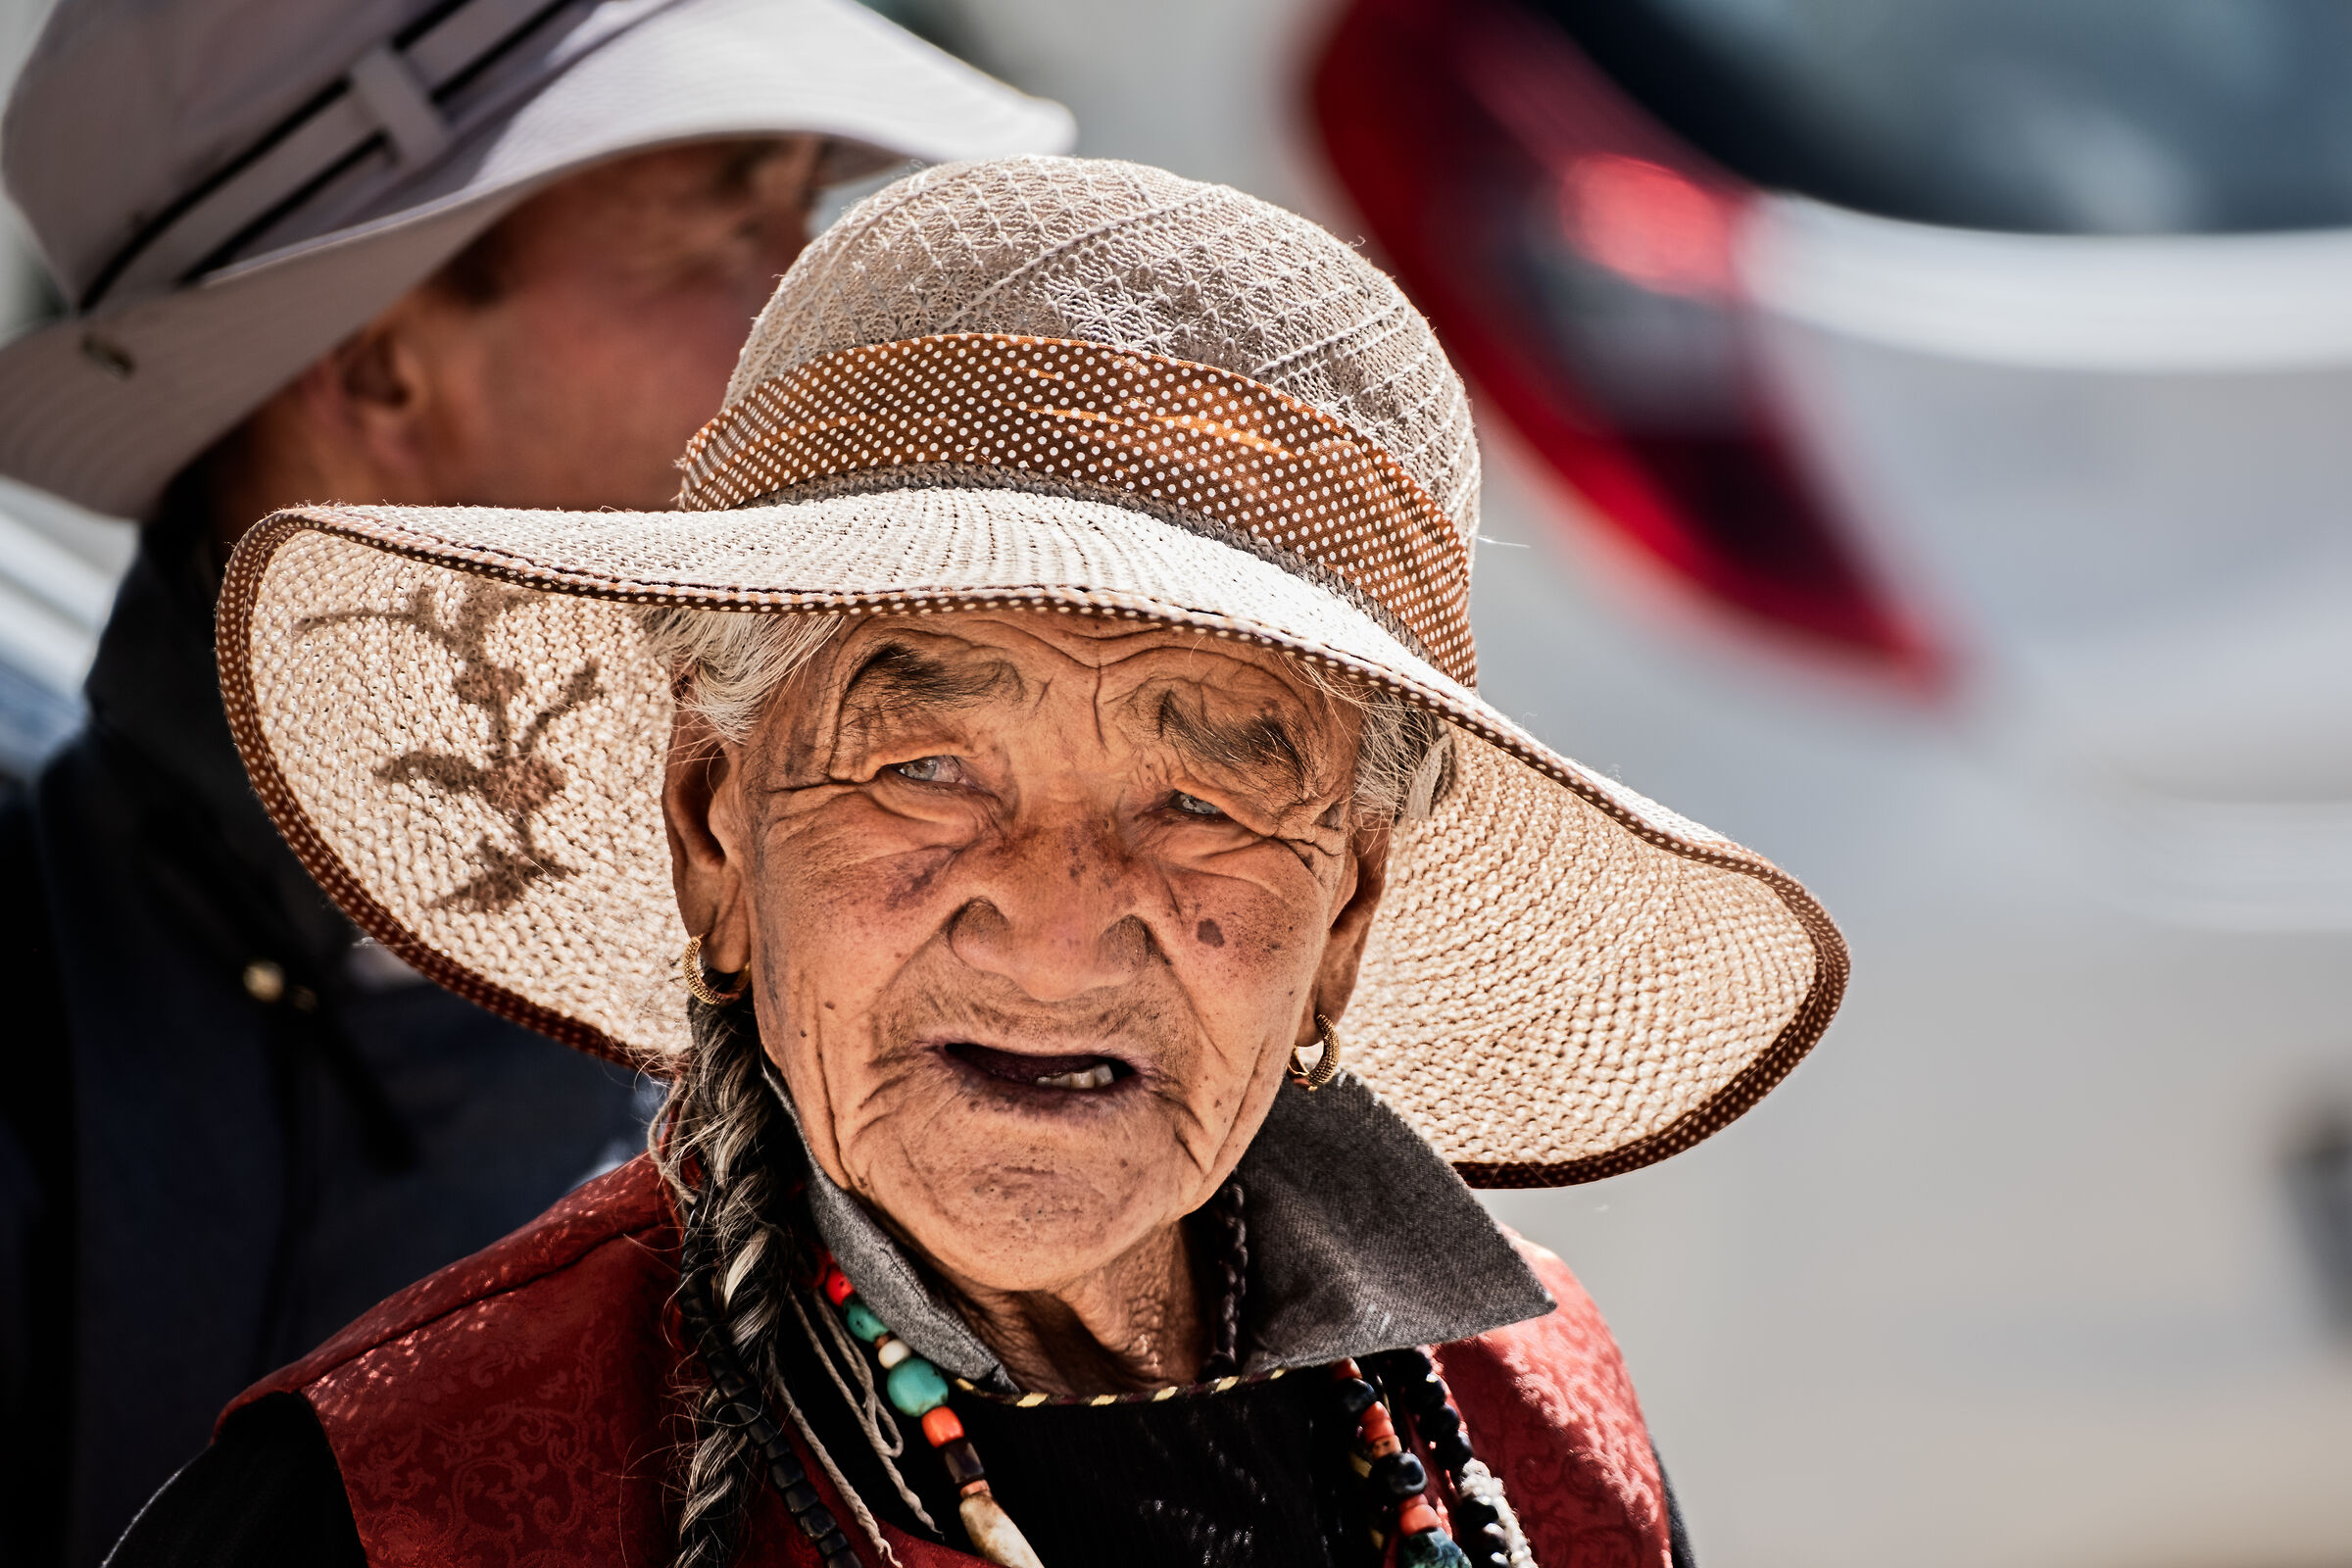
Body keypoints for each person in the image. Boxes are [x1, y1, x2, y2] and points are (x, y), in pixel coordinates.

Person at [112, 155, 1846, 1567]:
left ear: (1344, 922)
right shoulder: (402, 1506)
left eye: (1201, 799)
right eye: (928, 768)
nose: (1059, 917)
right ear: (715, 832)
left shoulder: (1537, 1429)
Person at [0, 2, 1069, 1561]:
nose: (826, 325)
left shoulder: (825, 1028)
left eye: (806, 216)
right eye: (726, 232)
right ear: (380, 370)